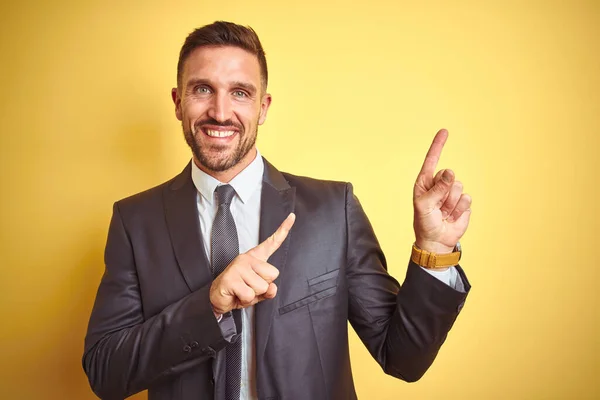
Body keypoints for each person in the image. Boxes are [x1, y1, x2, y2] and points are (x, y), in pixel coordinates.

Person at [83, 21, 472, 400]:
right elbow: (105, 373)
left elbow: (403, 358)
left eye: (240, 93)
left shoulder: (333, 211)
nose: (220, 112)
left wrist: (434, 251)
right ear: (178, 102)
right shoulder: (135, 221)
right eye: (203, 89)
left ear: (263, 107)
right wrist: (209, 305)